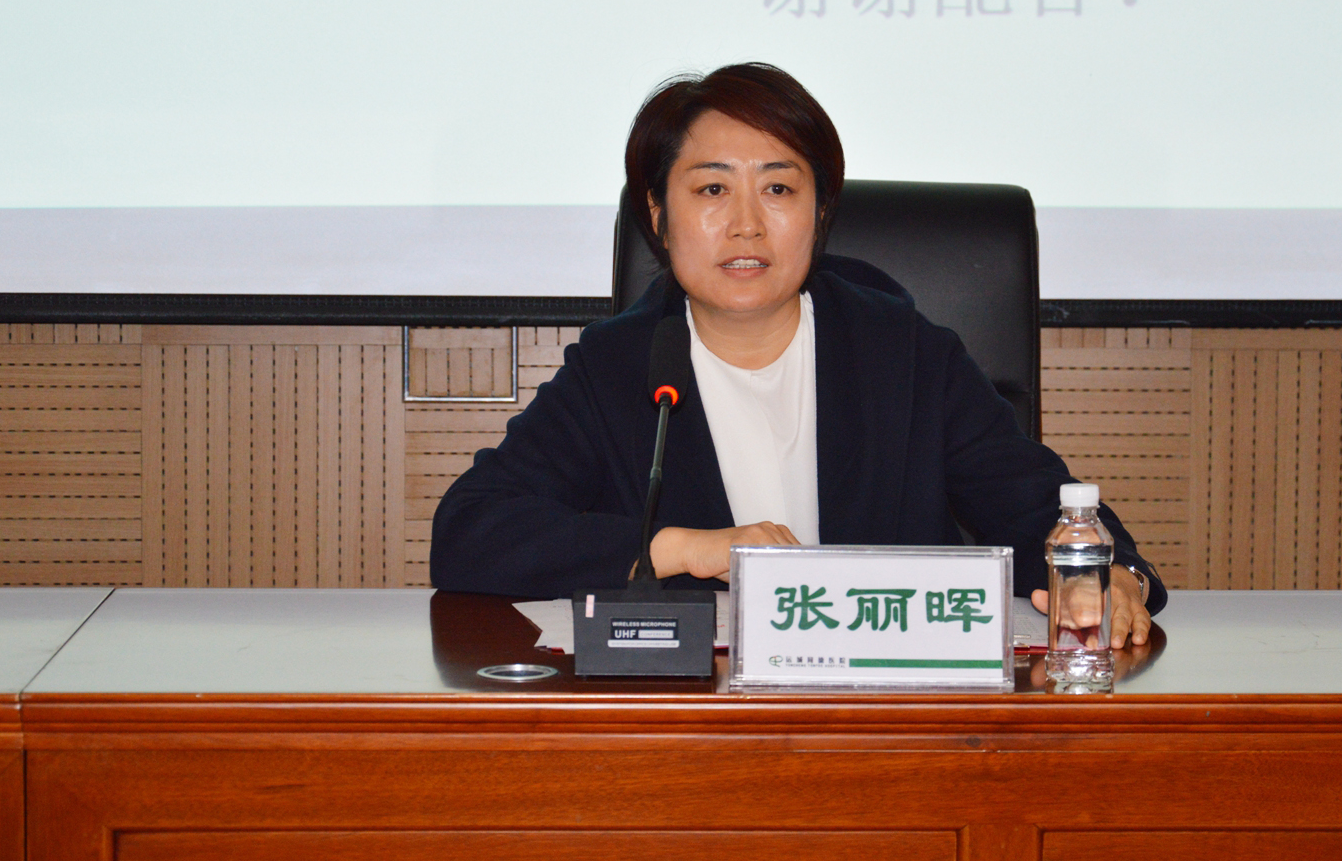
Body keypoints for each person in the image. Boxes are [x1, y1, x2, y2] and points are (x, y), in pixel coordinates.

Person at [432, 63, 1165, 645]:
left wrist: (1108, 578)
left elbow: (1041, 507)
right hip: (697, 726)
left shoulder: (903, 353)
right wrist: (682, 548)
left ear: (819, 212)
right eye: (712, 188)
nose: (747, 224)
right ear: (658, 215)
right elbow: (471, 531)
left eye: (779, 187)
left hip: (891, 721)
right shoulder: (619, 367)